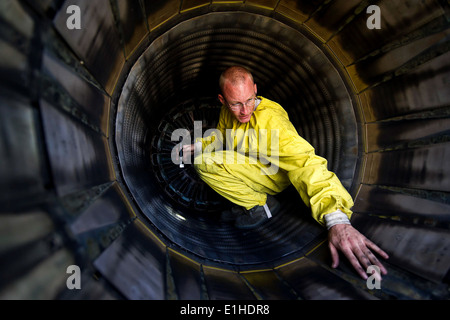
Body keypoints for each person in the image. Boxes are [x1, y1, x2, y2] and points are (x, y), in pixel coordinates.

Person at [180, 66, 389, 280]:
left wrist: (337, 220)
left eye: (249, 100)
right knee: (204, 155)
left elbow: (306, 163)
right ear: (222, 100)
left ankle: (259, 206)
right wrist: (200, 144)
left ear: (255, 89)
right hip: (249, 163)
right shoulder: (228, 112)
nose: (244, 110)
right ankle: (246, 200)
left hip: (272, 175)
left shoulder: (272, 123)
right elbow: (225, 136)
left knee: (205, 163)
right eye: (236, 104)